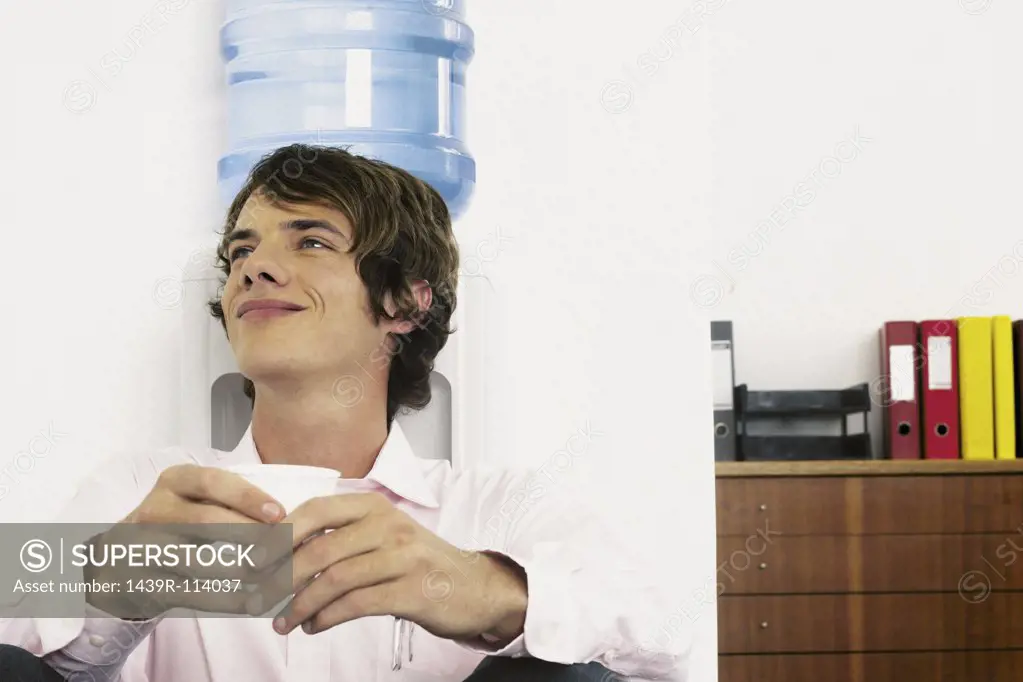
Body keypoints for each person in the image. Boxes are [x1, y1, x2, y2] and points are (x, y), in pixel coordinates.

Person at [0, 144, 690, 681]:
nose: (254, 269)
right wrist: (118, 585)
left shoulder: (500, 508)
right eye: (242, 250)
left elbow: (664, 642)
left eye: (311, 242)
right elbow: (20, 660)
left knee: (573, 675)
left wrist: (485, 593)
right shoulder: (139, 491)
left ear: (405, 303)